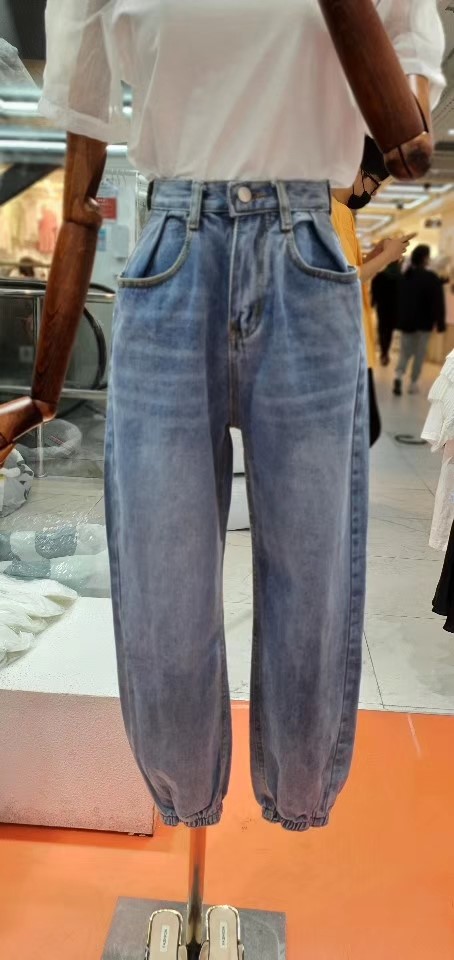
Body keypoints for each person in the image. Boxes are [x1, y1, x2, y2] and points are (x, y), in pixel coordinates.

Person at [38, 0, 445, 835]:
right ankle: (184, 788)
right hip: (170, 249)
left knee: (314, 565)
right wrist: (45, 388)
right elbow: (81, 189)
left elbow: (407, 139)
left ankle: (299, 786)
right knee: (162, 572)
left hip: (306, 251)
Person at [332, 136, 413, 445]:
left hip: (353, 342)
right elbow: (343, 281)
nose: (374, 191)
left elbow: (348, 270)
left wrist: (374, 256)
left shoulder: (341, 213)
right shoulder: (332, 213)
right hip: (344, 343)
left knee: (361, 430)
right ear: (355, 169)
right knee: (362, 430)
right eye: (374, 182)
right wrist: (386, 258)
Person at [394, 244, 446, 396]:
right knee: (419, 354)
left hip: (407, 322)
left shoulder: (406, 276)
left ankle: (398, 375)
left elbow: (399, 300)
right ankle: (413, 383)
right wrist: (440, 323)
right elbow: (438, 302)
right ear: (425, 258)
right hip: (425, 323)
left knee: (405, 352)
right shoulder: (432, 278)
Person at [371, 261, 402, 365]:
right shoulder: (400, 278)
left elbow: (374, 291)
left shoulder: (379, 277)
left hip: (382, 308)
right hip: (394, 309)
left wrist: (373, 302)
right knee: (389, 331)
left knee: (382, 329)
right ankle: (385, 352)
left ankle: (383, 352)